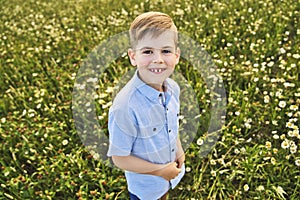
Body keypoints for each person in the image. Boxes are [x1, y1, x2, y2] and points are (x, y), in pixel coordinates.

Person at [107, 11, 185, 200]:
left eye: (165, 51)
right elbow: (120, 158)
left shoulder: (173, 89)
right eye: (148, 51)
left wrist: (179, 149)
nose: (158, 59)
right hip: (146, 188)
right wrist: (161, 171)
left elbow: (171, 124)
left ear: (176, 55)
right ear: (133, 57)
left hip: (167, 177)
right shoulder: (125, 107)